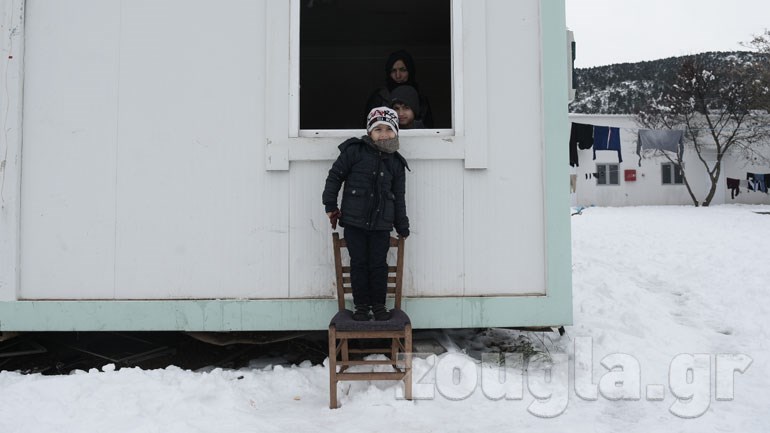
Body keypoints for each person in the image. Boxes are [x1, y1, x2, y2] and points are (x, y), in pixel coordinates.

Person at [322, 107, 410, 321]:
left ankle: (379, 305)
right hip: (354, 222)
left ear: (396, 132)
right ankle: (361, 306)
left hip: (382, 225)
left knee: (379, 264)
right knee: (359, 263)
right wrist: (330, 205)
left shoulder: (396, 163)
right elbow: (335, 177)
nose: (383, 134)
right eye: (377, 129)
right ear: (369, 131)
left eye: (388, 129)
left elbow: (399, 196)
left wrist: (402, 224)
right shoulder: (355, 151)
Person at [365, 50, 434, 128]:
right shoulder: (379, 97)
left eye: (402, 70)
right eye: (393, 70)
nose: (398, 75)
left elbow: (428, 129)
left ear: (410, 71)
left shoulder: (420, 98)